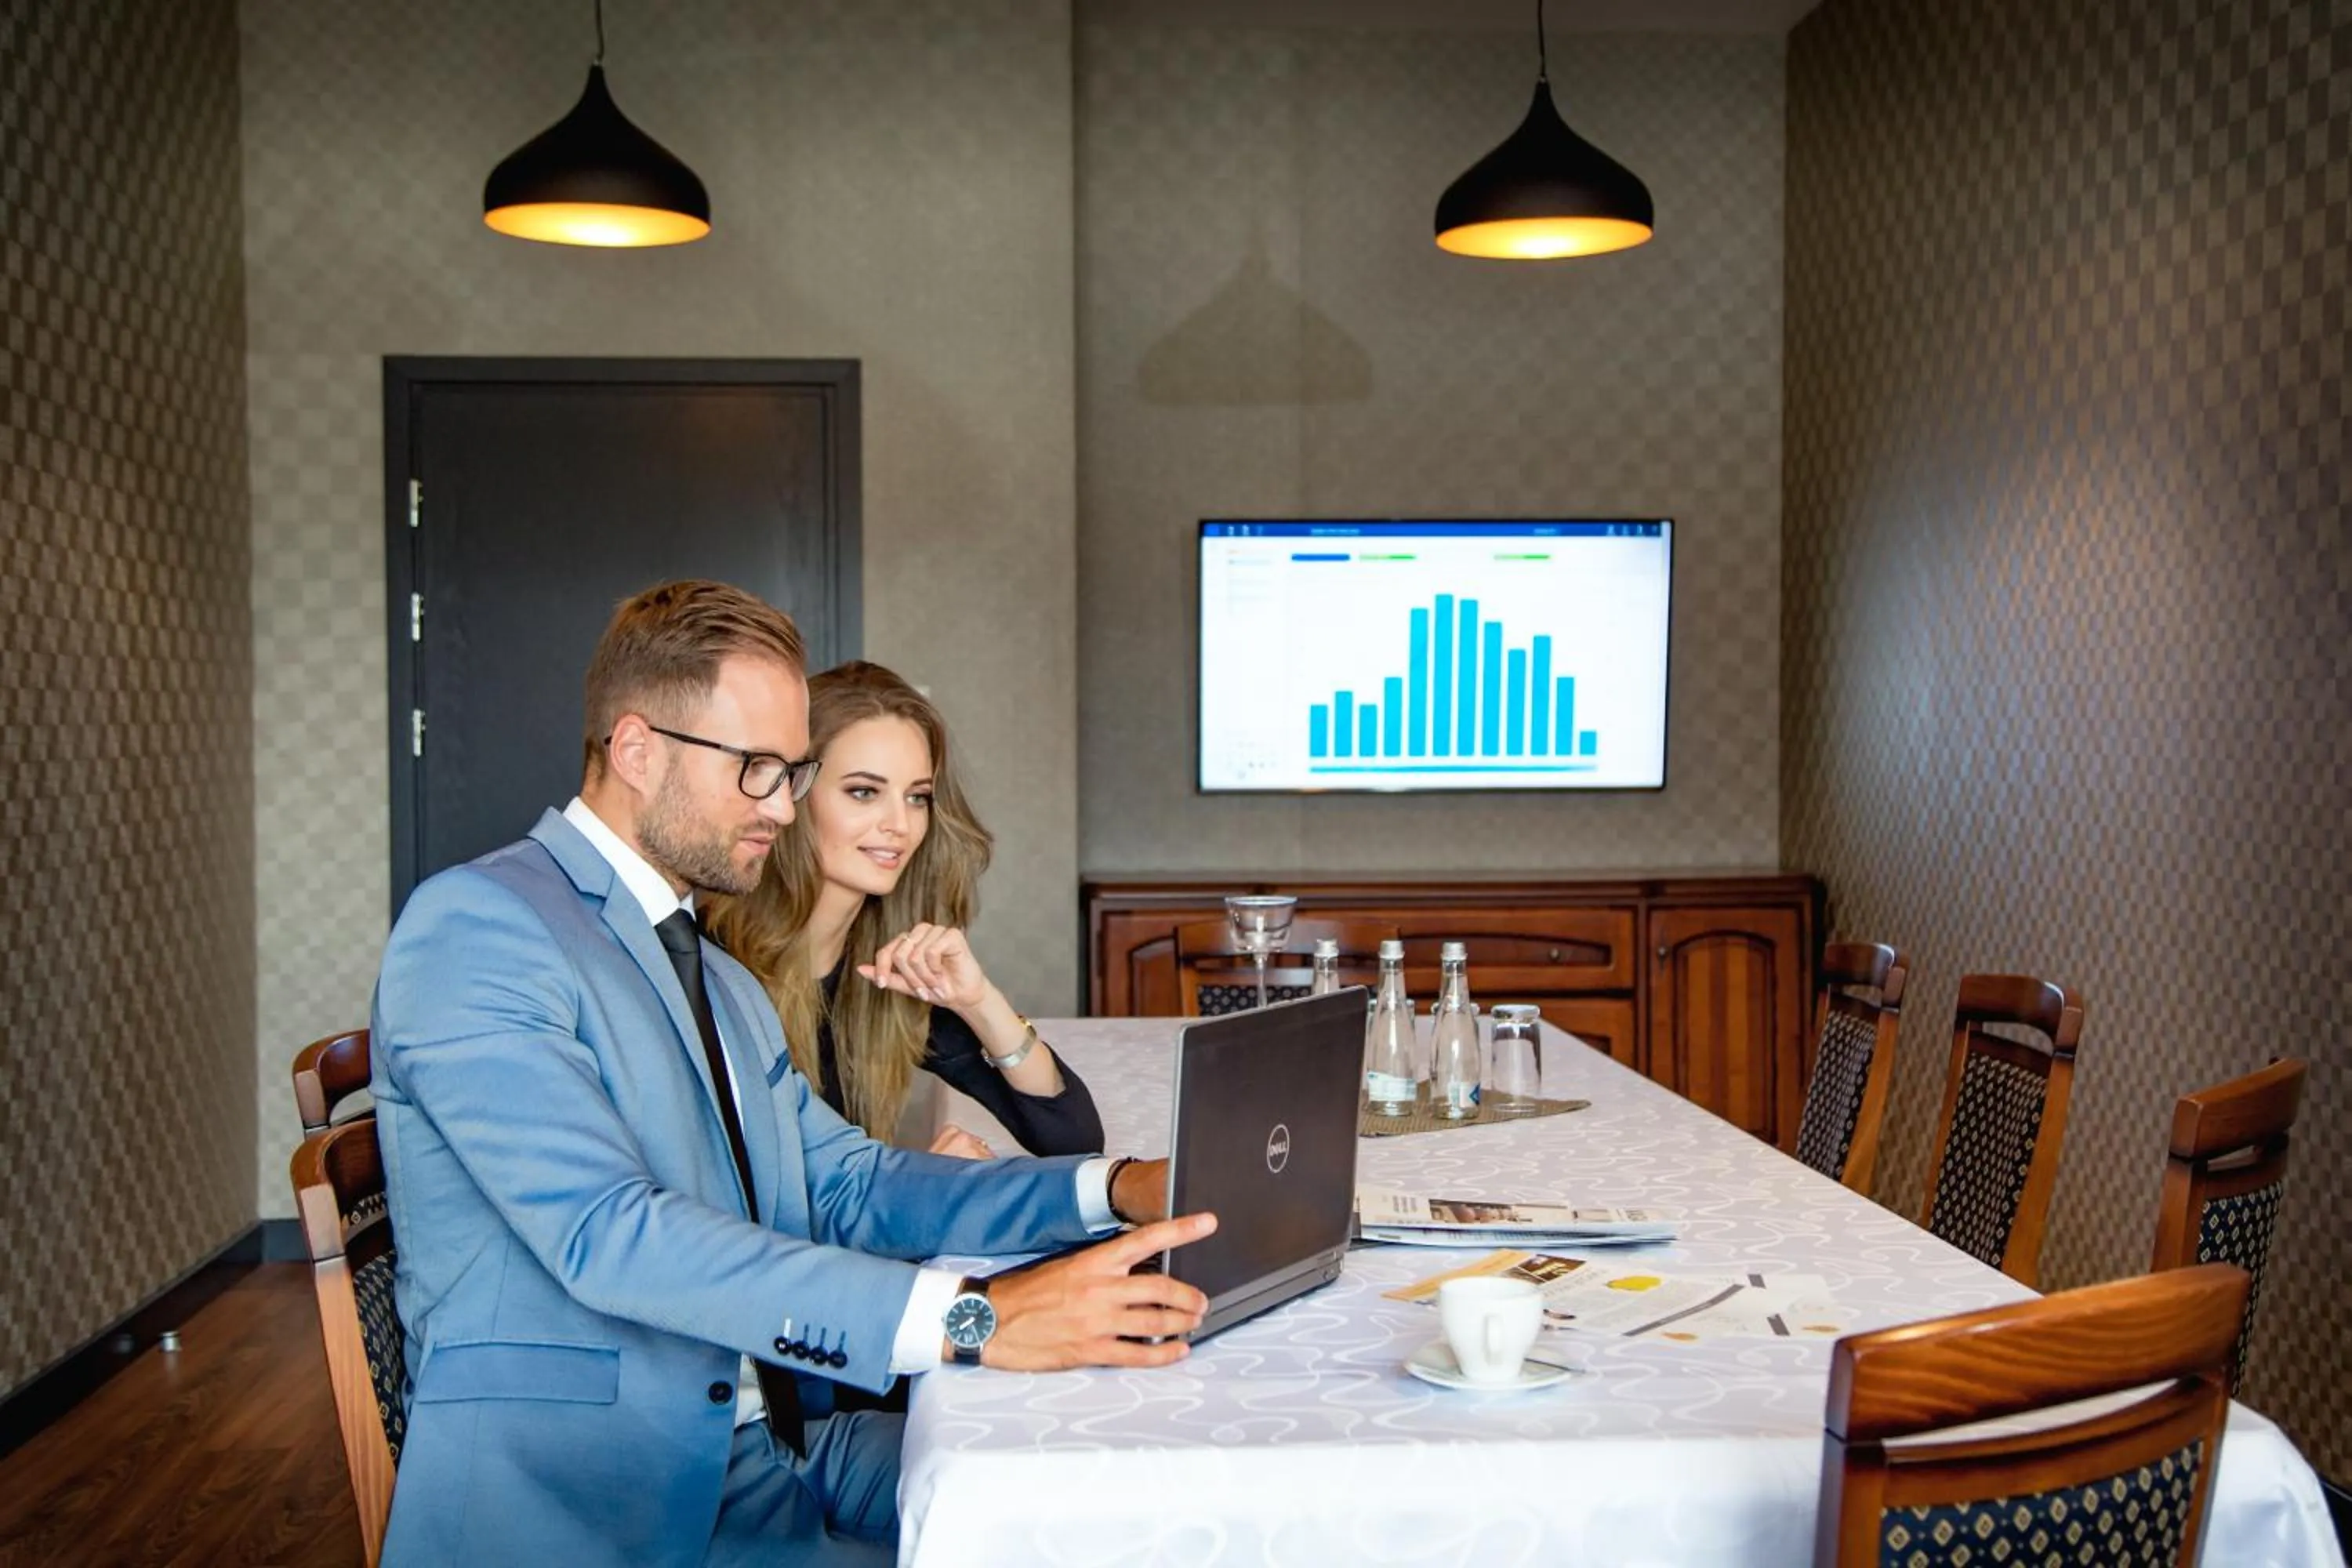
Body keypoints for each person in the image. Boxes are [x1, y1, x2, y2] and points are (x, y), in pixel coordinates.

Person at [368, 579, 1214, 1568]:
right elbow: (610, 1233)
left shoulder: (712, 970)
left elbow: (848, 1179)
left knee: (1121, 1489)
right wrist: (976, 1320)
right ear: (637, 750)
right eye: (758, 769)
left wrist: (1110, 1189)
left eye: (794, 770)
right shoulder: (481, 926)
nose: (782, 804)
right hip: (610, 1501)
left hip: (775, 1447)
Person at [706, 661, 1102, 1160]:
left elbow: (1073, 1139)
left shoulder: (886, 965)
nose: (901, 824)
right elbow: (757, 1203)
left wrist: (979, 1001)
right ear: (794, 794)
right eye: (864, 792)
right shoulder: (714, 971)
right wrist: (922, 1186)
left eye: (918, 797)